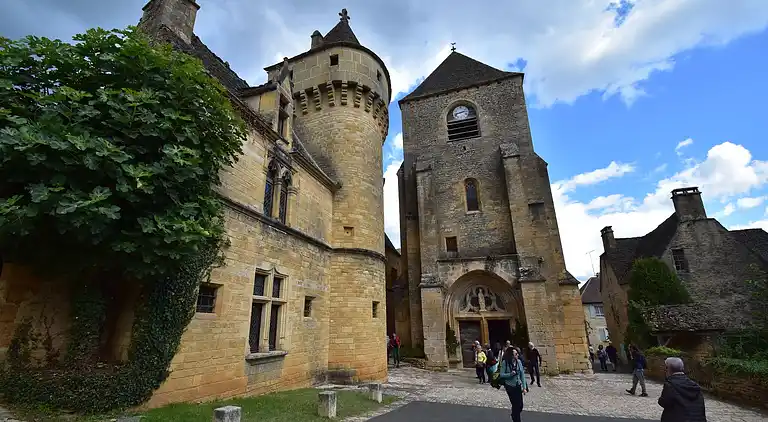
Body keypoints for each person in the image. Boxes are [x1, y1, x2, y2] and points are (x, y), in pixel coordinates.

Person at [658, 357, 707, 422]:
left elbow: (665, 402)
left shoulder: (670, 385)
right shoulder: (695, 385)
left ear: (667, 368)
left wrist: (660, 400)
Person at [500, 346, 528, 422]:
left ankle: (514, 415)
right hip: (510, 386)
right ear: (511, 355)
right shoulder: (505, 363)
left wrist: (524, 387)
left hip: (517, 385)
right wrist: (510, 374)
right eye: (515, 354)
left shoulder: (518, 362)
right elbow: (501, 374)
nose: (517, 355)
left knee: (520, 405)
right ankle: (516, 419)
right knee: (515, 404)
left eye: (517, 354)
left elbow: (522, 374)